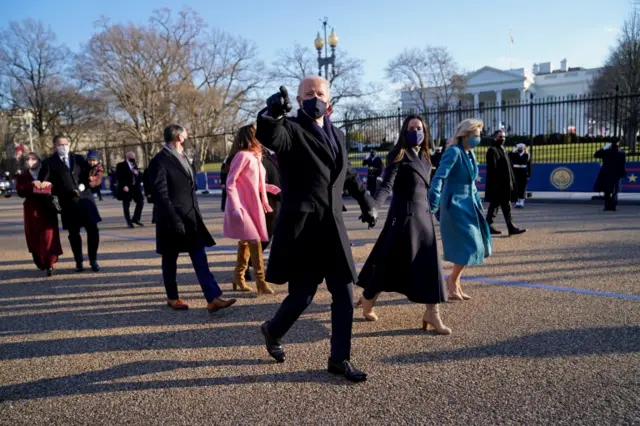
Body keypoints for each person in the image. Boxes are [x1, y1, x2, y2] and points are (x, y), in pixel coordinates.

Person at [256, 76, 377, 382]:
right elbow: (273, 137)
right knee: (302, 296)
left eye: (319, 93)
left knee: (344, 294)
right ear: (297, 101)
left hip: (333, 229)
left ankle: (339, 359)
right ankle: (272, 330)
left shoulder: (337, 133)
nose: (314, 98)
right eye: (307, 94)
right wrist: (271, 114)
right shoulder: (291, 129)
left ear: (329, 101)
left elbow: (347, 173)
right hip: (305, 230)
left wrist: (366, 201)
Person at [356, 115, 451, 334]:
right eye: (411, 128)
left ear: (424, 131)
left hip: (424, 216)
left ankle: (432, 313)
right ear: (404, 131)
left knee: (430, 265)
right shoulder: (398, 154)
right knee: (388, 263)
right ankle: (368, 298)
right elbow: (386, 186)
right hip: (403, 217)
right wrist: (374, 207)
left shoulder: (427, 157)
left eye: (418, 128)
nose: (415, 131)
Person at [148, 124, 235, 313]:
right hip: (171, 218)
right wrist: (173, 218)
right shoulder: (160, 160)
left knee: (199, 256)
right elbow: (160, 194)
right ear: (179, 136)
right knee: (170, 259)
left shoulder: (185, 157)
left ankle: (213, 298)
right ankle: (172, 297)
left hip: (191, 216)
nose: (188, 135)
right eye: (185, 132)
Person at [429, 119, 492, 300]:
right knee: (469, 244)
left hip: (470, 204)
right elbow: (439, 177)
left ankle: (454, 282)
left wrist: (477, 201)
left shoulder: (469, 153)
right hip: (454, 204)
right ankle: (452, 280)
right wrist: (434, 200)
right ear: (465, 135)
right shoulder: (453, 152)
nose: (478, 139)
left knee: (474, 244)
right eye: (476, 136)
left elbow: (471, 181)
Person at [223, 124, 276, 295]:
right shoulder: (242, 156)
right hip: (243, 206)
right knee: (255, 241)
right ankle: (261, 281)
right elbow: (230, 182)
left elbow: (254, 182)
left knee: (247, 241)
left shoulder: (256, 156)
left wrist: (269, 188)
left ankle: (238, 277)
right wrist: (235, 206)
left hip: (254, 204)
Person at [38, 135, 102, 272]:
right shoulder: (49, 162)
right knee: (74, 234)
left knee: (93, 230)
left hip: (85, 199)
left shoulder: (79, 159)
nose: (63, 147)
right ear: (55, 146)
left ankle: (93, 259)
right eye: (60, 145)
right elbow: (44, 183)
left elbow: (90, 174)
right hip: (67, 202)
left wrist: (87, 183)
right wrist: (57, 194)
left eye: (65, 144)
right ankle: (79, 261)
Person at [16, 152, 63, 277]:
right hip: (32, 210)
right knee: (34, 236)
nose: (31, 161)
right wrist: (32, 185)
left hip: (47, 208)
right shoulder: (22, 176)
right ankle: (40, 260)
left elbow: (58, 186)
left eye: (34, 158)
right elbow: (20, 191)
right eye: (28, 159)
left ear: (39, 160)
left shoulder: (47, 172)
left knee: (49, 235)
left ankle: (50, 262)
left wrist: (49, 185)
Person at [485, 130, 526, 236]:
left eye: (504, 137)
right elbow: (492, 170)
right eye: (500, 137)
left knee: (496, 206)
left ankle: (489, 225)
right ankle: (508, 227)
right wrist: (497, 185)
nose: (503, 139)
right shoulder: (492, 150)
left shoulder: (502, 149)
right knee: (503, 205)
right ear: (494, 137)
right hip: (499, 185)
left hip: (506, 184)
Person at [594, 141, 627, 211]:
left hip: (606, 173)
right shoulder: (621, 153)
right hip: (616, 173)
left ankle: (607, 206)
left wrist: (604, 148)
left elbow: (596, 155)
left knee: (607, 191)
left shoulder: (606, 152)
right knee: (615, 190)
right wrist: (623, 173)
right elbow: (622, 164)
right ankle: (613, 206)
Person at [116, 152, 145, 228]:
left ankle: (136, 218)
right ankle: (128, 221)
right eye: (132, 156)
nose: (133, 157)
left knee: (140, 202)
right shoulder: (121, 165)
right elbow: (119, 177)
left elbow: (138, 176)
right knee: (126, 205)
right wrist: (124, 186)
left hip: (135, 187)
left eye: (134, 156)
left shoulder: (134, 164)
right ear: (127, 156)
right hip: (126, 187)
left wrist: (137, 173)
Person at [508, 143, 531, 208]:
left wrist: (529, 174)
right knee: (516, 187)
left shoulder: (527, 154)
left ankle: (522, 202)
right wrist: (513, 150)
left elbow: (529, 165)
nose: (520, 149)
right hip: (516, 172)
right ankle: (517, 202)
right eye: (519, 148)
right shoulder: (514, 154)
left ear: (524, 148)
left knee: (523, 188)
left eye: (521, 147)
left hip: (523, 173)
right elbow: (507, 156)